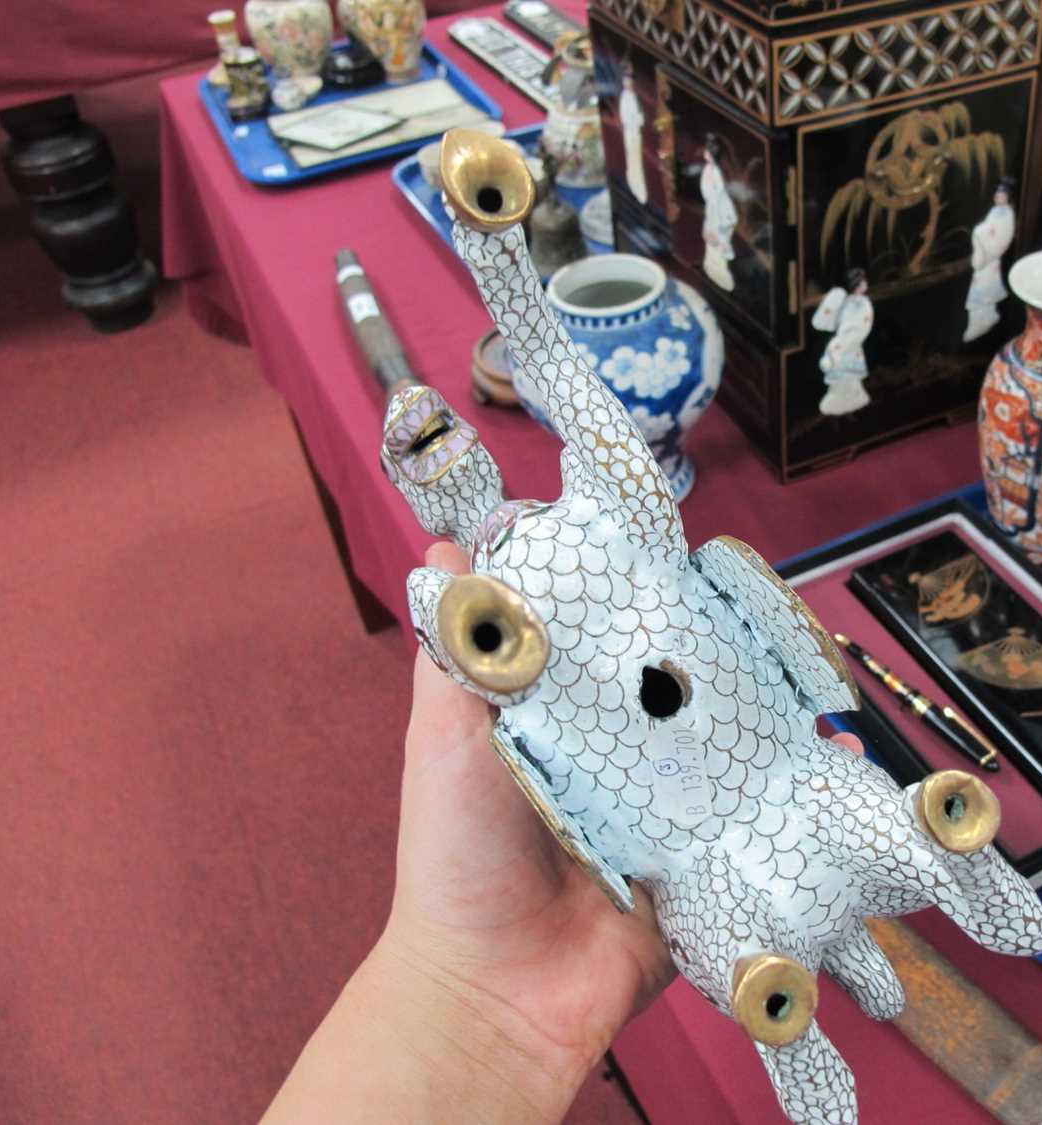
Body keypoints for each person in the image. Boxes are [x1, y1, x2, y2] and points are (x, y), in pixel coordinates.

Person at [263, 540, 863, 1123]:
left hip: (754, 787)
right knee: (765, 961)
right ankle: (797, 1019)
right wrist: (467, 994)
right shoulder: (522, 666)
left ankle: (843, 954)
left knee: (831, 882)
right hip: (678, 865)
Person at [812, 268, 875, 415]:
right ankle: (840, 398)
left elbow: (863, 325)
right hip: (844, 342)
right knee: (840, 376)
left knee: (851, 376)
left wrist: (849, 340)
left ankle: (854, 397)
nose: (864, 285)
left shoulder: (864, 303)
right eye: (861, 282)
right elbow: (837, 322)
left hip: (851, 344)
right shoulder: (845, 301)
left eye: (864, 282)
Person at [963, 178, 1016, 343]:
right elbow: (986, 229)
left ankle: (985, 318)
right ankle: (978, 320)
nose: (999, 197)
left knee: (985, 289)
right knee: (978, 288)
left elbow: (1001, 239)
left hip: (991, 257)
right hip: (985, 256)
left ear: (1008, 197)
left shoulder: (1007, 215)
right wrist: (981, 232)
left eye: (1002, 194)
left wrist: (981, 234)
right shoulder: (995, 211)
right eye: (997, 194)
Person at [699, 133, 737, 292]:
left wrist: (713, 203)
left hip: (718, 207)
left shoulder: (716, 173)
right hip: (712, 205)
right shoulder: (709, 169)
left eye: (708, 151)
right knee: (711, 237)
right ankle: (711, 265)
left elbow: (718, 191)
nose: (705, 154)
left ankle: (719, 268)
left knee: (717, 235)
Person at [619, 65, 647, 204]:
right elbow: (628, 118)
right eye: (627, 79)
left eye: (631, 80)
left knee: (637, 161)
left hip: (635, 132)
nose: (629, 83)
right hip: (631, 133)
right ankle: (635, 188)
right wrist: (639, 119)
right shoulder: (626, 97)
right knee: (634, 161)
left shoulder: (632, 96)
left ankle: (639, 189)